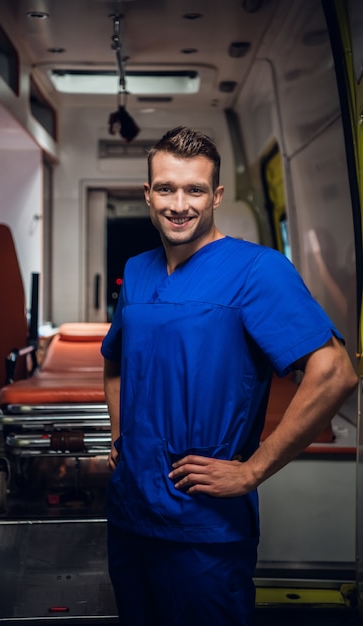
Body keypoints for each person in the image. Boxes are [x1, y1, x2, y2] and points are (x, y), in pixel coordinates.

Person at [101, 126, 358, 626]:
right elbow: (115, 359)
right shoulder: (137, 270)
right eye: (166, 189)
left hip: (202, 527)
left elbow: (335, 373)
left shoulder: (258, 270)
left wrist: (252, 470)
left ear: (216, 196)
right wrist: (119, 434)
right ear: (148, 194)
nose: (179, 204)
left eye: (194, 190)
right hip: (129, 514)